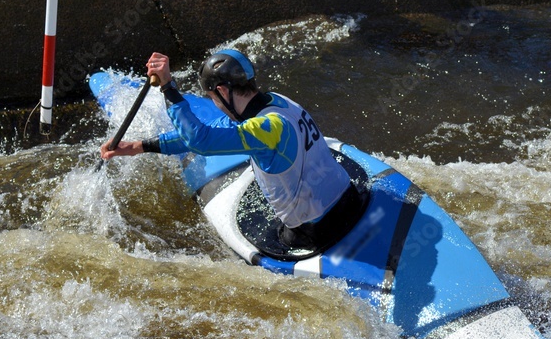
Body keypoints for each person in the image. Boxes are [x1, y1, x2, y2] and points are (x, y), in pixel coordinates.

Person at [101, 50, 360, 252]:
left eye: (213, 98)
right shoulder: (277, 103)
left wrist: (169, 89)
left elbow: (202, 141)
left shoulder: (264, 128)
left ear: (223, 91)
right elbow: (211, 131)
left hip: (316, 230)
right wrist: (139, 146)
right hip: (351, 200)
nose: (215, 104)